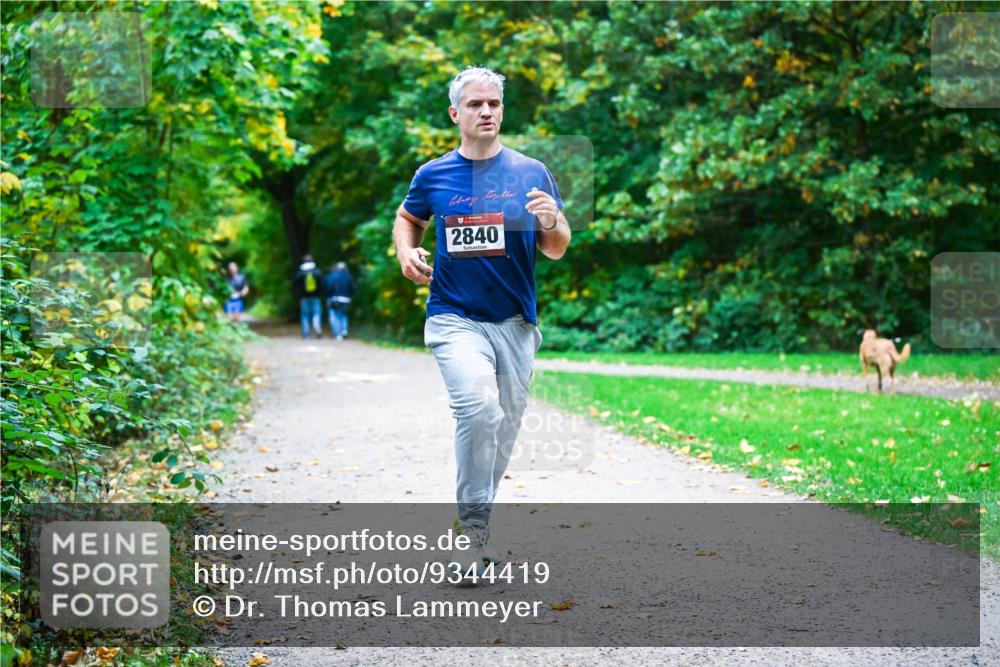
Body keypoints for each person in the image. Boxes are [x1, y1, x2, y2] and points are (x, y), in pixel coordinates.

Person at [392, 66, 571, 584]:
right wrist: (407, 251)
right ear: (456, 114)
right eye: (475, 104)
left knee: (502, 429)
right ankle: (470, 539)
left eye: (493, 103)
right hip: (453, 317)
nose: (486, 111)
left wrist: (551, 221)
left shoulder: (531, 172)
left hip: (516, 323)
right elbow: (409, 217)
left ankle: (474, 525)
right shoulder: (433, 175)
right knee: (477, 408)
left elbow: (556, 250)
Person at [293, 255, 324, 339]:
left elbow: (295, 285)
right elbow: (322, 284)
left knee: (305, 315)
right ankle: (316, 325)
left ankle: (306, 333)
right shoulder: (317, 272)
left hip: (304, 297)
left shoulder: (300, 273)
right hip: (315, 297)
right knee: (317, 313)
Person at [323, 261, 355, 341]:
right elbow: (353, 288)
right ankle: (344, 330)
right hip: (346, 300)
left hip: (335, 299)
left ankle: (338, 334)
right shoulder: (348, 277)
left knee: (334, 316)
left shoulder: (332, 276)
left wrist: (328, 296)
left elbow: (328, 288)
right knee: (343, 315)